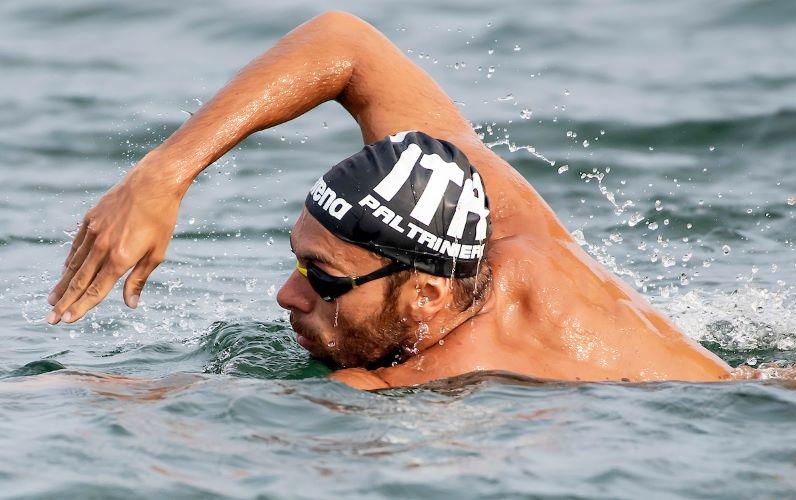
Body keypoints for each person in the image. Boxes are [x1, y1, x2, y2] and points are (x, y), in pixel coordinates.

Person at [45, 11, 738, 390]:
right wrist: (164, 173)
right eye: (298, 262)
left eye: (322, 278)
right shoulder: (482, 213)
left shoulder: (458, 368)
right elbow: (347, 43)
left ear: (428, 297)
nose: (287, 295)